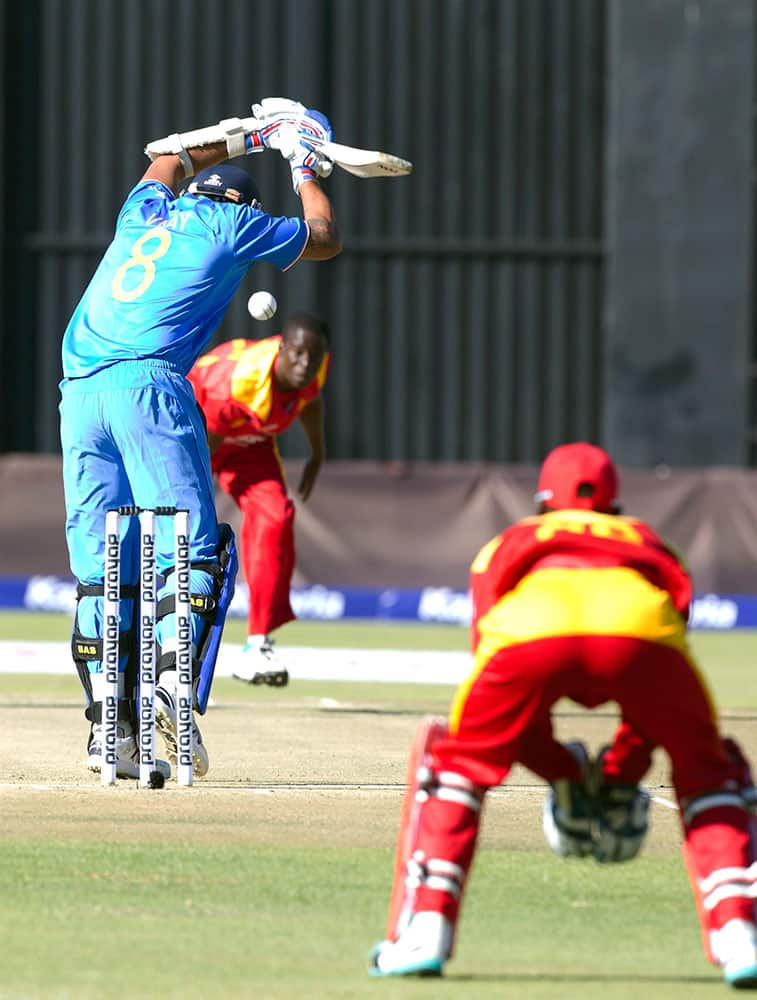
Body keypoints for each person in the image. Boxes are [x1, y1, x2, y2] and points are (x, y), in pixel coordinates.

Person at [370, 442, 757, 989]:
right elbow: (663, 682)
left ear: (541, 503)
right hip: (643, 634)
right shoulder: (650, 541)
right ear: (615, 506)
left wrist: (563, 773)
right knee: (711, 769)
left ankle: (423, 932)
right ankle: (741, 936)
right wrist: (618, 775)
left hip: (532, 633)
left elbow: (500, 706)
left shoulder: (512, 540)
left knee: (453, 760)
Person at [59, 99, 342, 780]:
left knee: (103, 567)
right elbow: (323, 235)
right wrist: (301, 164)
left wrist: (238, 137)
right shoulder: (232, 221)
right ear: (240, 206)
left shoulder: (143, 212)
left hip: (78, 392)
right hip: (147, 385)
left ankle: (111, 728)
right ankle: (168, 691)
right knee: (191, 549)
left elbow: (167, 159)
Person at [187, 312, 331, 686]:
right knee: (183, 524)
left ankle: (257, 645)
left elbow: (309, 400)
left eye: (312, 357)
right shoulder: (237, 384)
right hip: (197, 430)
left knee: (276, 516)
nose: (304, 364)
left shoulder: (315, 364)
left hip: (248, 441)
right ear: (282, 348)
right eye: (297, 354)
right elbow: (206, 441)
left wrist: (317, 454)